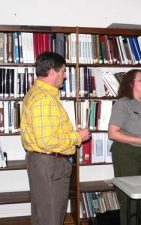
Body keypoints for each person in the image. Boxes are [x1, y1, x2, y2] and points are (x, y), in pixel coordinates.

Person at [20, 52, 91, 225]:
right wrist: (77, 137)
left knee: (44, 214)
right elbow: (46, 141)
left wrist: (70, 133)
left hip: (44, 162)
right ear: (53, 72)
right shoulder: (45, 98)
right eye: (63, 71)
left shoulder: (39, 93)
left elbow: (48, 132)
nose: (65, 76)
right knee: (51, 218)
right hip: (49, 163)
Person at [108, 69, 141, 225]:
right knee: (130, 200)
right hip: (127, 154)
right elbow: (112, 133)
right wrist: (140, 141)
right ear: (131, 84)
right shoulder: (122, 104)